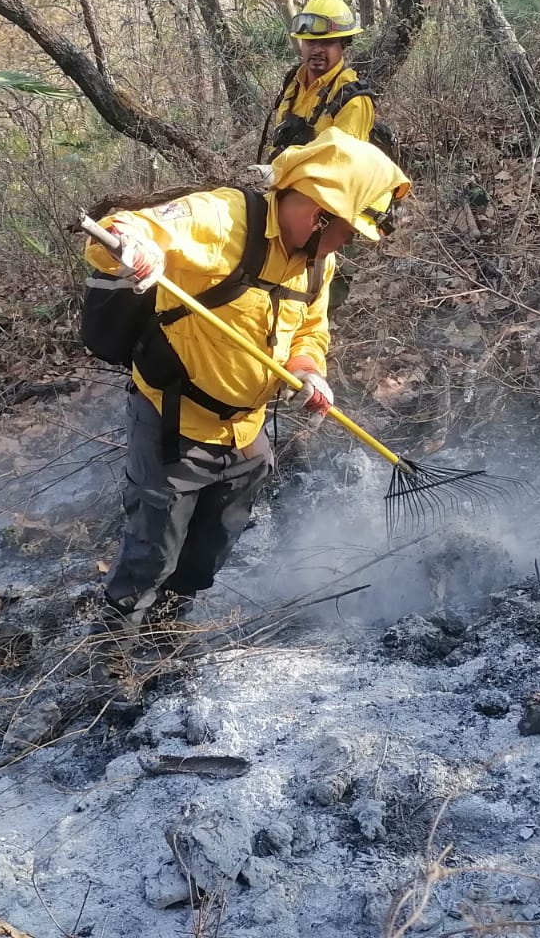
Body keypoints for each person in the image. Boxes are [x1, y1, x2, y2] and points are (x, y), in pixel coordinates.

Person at [84, 131, 411, 682]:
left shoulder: (315, 262)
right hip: (176, 425)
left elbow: (310, 328)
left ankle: (167, 633)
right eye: (348, 233)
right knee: (151, 553)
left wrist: (310, 372)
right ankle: (109, 660)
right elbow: (118, 230)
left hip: (247, 434)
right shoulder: (224, 219)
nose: (347, 245)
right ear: (319, 213)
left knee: (210, 550)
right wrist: (135, 249)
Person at [259, 0, 376, 163]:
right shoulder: (294, 81)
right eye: (310, 42)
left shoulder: (352, 100)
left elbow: (342, 168)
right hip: (281, 180)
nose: (317, 50)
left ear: (344, 45)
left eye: (327, 43)